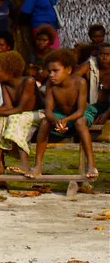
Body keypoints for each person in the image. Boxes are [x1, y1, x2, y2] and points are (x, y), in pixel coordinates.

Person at [29, 50, 97, 179]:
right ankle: (37, 165)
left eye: (55, 71)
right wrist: (57, 121)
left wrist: (65, 120)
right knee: (44, 122)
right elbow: (48, 111)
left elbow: (80, 111)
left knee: (80, 122)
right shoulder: (50, 85)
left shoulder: (80, 83)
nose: (51, 75)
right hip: (61, 115)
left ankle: (91, 165)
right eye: (49, 71)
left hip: (80, 114)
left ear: (69, 70)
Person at [0, 50, 41, 179]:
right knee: (1, 120)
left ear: (10, 72)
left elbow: (20, 109)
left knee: (15, 118)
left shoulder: (29, 82)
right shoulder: (4, 85)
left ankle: (25, 163)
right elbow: (8, 107)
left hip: (37, 114)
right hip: (20, 115)